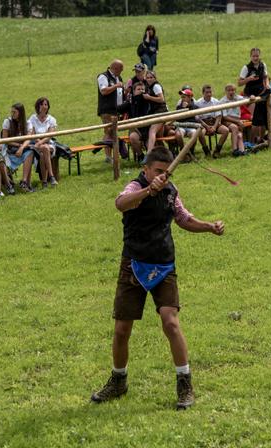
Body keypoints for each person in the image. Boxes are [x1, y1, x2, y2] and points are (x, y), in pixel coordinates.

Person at [90, 146, 225, 410]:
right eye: (158, 171)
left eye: (166, 172)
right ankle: (118, 381)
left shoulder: (171, 192)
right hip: (133, 264)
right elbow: (121, 203)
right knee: (121, 330)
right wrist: (147, 191)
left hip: (163, 265)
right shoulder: (135, 187)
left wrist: (209, 227)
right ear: (146, 169)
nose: (163, 176)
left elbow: (183, 219)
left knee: (170, 322)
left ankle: (184, 383)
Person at [238, 47, 271, 141]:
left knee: (263, 120)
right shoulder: (246, 67)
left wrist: (267, 84)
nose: (255, 58)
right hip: (250, 95)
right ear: (250, 56)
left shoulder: (263, 65)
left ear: (259, 56)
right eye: (253, 56)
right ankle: (252, 142)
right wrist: (249, 79)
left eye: (257, 56)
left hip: (261, 94)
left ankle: (261, 139)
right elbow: (239, 83)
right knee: (255, 120)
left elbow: (265, 77)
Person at [2, 103, 36, 193]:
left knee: (30, 152)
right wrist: (18, 146)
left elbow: (28, 138)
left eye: (14, 112)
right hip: (10, 149)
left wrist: (21, 148)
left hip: (22, 149)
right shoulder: (7, 122)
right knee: (29, 152)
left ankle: (24, 181)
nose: (12, 114)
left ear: (20, 113)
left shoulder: (27, 123)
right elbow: (5, 140)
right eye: (11, 112)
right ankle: (14, 184)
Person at [27, 97, 58, 188]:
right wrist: (38, 142)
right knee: (44, 151)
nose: (44, 106)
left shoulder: (51, 119)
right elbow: (33, 134)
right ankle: (51, 177)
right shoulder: (32, 119)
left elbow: (49, 136)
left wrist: (40, 143)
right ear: (38, 106)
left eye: (45, 104)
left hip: (48, 143)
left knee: (44, 151)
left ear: (48, 107)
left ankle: (45, 181)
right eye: (41, 104)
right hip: (35, 143)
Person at [97, 60, 124, 164]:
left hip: (116, 110)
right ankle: (108, 156)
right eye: (121, 70)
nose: (121, 72)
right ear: (115, 68)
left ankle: (114, 155)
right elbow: (103, 91)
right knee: (109, 132)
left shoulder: (118, 77)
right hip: (107, 110)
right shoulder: (103, 77)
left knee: (113, 132)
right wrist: (116, 86)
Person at [118, 82, 154, 161]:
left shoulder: (148, 101)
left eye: (142, 89)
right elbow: (119, 109)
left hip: (148, 129)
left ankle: (150, 159)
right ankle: (141, 156)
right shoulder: (131, 102)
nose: (141, 91)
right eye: (138, 89)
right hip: (136, 129)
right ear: (133, 91)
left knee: (149, 144)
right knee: (133, 137)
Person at [194, 84, 230, 158]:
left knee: (226, 130)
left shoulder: (216, 101)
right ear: (203, 93)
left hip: (214, 122)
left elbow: (218, 116)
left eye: (210, 92)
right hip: (204, 123)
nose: (209, 94)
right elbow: (197, 118)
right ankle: (206, 151)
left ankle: (217, 150)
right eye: (207, 92)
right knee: (200, 133)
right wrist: (206, 126)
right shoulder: (198, 103)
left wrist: (214, 127)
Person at [174, 87, 204, 161]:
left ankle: (191, 152)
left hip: (191, 127)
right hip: (181, 127)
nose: (182, 99)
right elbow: (177, 119)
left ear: (190, 97)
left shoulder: (195, 107)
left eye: (184, 97)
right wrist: (182, 109)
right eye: (182, 97)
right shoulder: (179, 107)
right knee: (178, 135)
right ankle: (185, 153)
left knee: (194, 135)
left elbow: (197, 120)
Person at [217, 83, 248, 156]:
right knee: (234, 127)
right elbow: (225, 117)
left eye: (233, 90)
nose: (231, 92)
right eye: (229, 90)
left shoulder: (237, 97)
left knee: (239, 134)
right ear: (226, 91)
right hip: (226, 120)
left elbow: (246, 99)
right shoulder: (222, 101)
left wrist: (251, 97)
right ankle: (234, 149)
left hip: (237, 119)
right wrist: (238, 121)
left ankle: (242, 150)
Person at [143, 70, 170, 152]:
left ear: (155, 78)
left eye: (151, 77)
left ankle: (149, 153)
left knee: (152, 131)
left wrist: (149, 97)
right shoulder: (148, 86)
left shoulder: (156, 86)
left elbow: (161, 99)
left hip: (161, 111)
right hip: (155, 112)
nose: (149, 79)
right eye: (147, 78)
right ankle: (165, 153)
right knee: (158, 136)